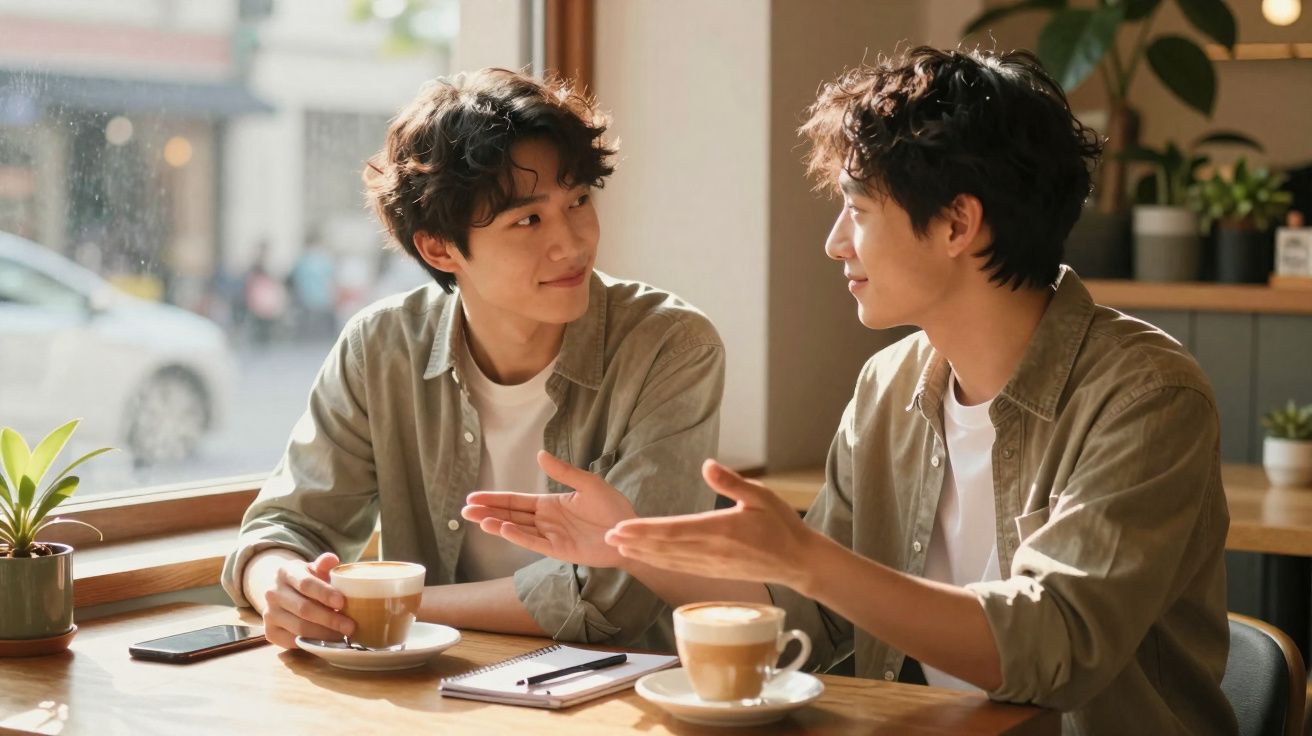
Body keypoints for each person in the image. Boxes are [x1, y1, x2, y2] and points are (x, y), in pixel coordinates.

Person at [462, 47, 1235, 734]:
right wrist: (628, 546)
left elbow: (1053, 650)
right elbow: (816, 617)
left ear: (958, 224)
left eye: (857, 210)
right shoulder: (889, 385)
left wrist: (808, 557)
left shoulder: (1145, 396)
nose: (835, 243)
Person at [220, 68, 725, 653]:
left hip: (619, 689)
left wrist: (389, 606)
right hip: (432, 685)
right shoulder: (379, 348)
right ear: (439, 248)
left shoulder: (671, 347)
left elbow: (617, 593)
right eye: (529, 220)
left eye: (579, 201)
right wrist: (280, 585)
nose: (573, 243)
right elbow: (287, 526)